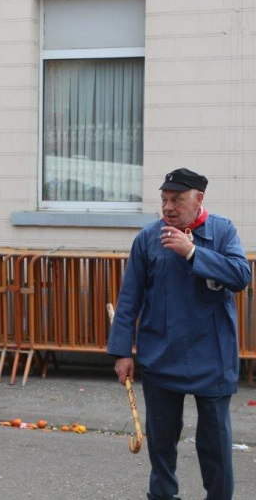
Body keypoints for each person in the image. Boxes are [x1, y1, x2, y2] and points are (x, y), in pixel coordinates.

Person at [107, 168, 251, 500]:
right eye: (164, 200)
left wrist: (193, 252)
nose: (168, 207)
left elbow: (241, 276)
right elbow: (129, 300)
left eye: (177, 200)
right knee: (161, 440)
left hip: (212, 356)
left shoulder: (222, 231)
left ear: (199, 199)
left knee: (215, 443)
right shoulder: (148, 238)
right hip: (162, 353)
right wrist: (122, 353)